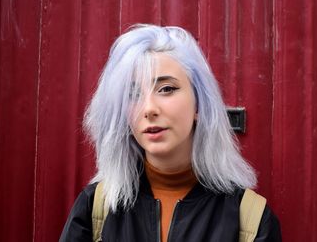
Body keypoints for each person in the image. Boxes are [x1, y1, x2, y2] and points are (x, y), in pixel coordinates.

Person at [60, 24, 281, 242]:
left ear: (199, 103)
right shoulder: (94, 210)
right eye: (133, 94)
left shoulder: (250, 221)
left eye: (166, 89)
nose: (149, 109)